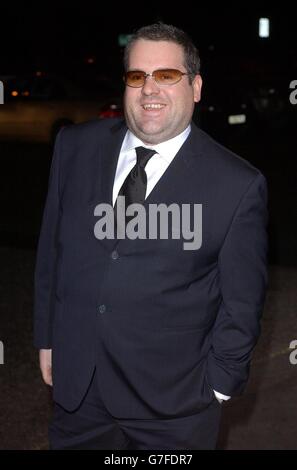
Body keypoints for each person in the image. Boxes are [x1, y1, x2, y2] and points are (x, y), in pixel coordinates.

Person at [34, 22, 268, 450]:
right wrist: (49, 338)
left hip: (174, 409)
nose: (149, 89)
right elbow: (52, 252)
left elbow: (242, 301)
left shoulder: (237, 185)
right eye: (137, 76)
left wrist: (219, 385)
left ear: (195, 87)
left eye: (166, 76)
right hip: (79, 393)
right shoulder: (74, 147)